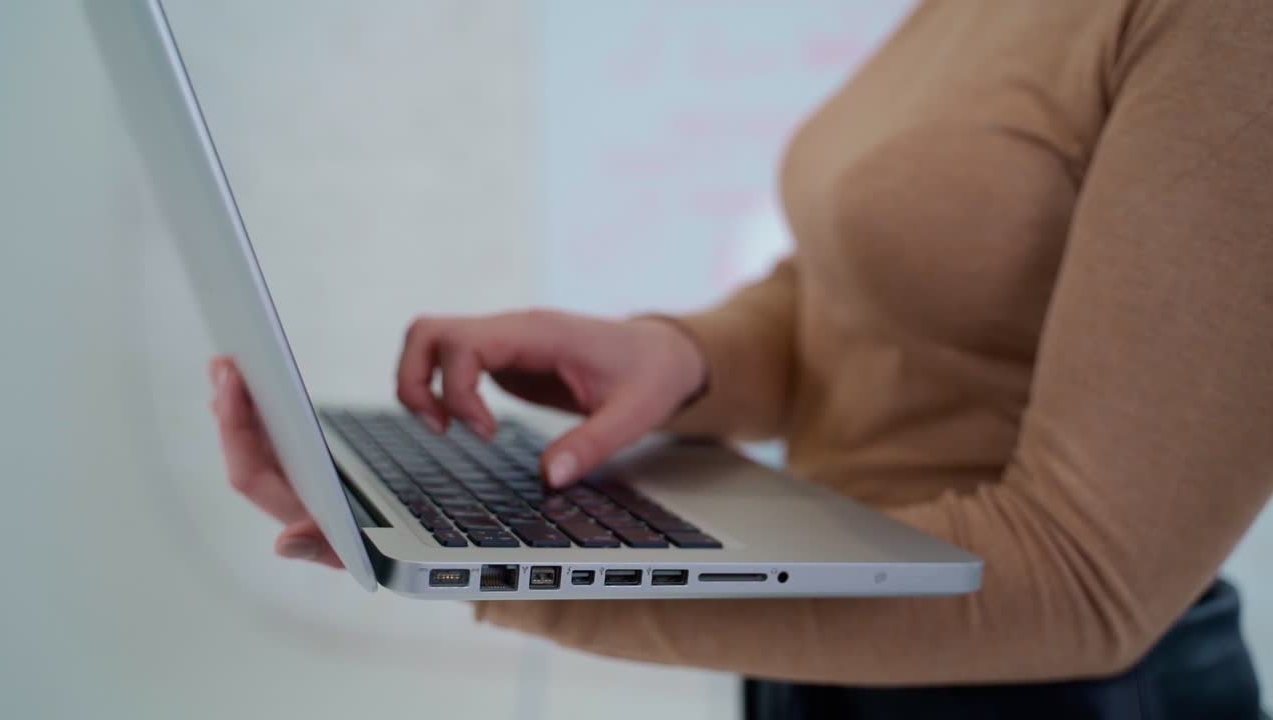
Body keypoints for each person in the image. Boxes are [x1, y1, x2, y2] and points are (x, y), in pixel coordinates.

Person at [209, 0, 1273, 717]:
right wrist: (677, 353)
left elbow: (1086, 580)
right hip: (833, 671)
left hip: (1060, 692)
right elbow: (860, 294)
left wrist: (484, 567)